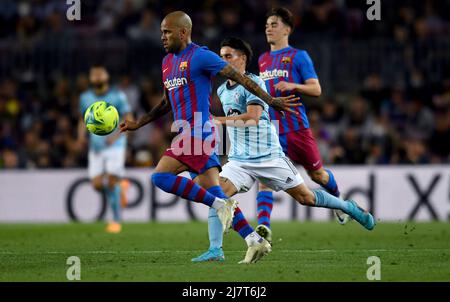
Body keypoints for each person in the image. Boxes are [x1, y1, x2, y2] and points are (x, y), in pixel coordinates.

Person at [119, 11, 298, 259]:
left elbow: (239, 77)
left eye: (167, 31)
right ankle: (249, 240)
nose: (162, 37)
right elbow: (166, 101)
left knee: (160, 177)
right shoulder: (167, 62)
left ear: (183, 32)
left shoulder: (200, 56)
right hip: (185, 132)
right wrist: (139, 123)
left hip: (198, 131)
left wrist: (268, 99)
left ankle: (220, 207)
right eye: (161, 32)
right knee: (214, 191)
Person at [194, 36, 375, 263]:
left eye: (228, 56)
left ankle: (348, 207)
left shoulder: (254, 82)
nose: (223, 61)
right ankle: (215, 250)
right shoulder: (222, 90)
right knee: (215, 194)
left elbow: (253, 117)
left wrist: (217, 121)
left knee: (306, 198)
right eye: (221, 57)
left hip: (269, 157)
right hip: (240, 160)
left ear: (242, 59)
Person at [255, 7, 349, 243]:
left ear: (287, 29)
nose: (268, 28)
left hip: (297, 129)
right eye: (267, 24)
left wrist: (293, 86)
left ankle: (338, 201)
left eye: (274, 24)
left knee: (317, 175)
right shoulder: (263, 60)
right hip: (273, 132)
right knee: (265, 179)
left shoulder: (299, 56)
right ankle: (263, 229)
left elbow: (316, 89)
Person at [78, 66, 133, 233]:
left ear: (107, 76)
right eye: (93, 74)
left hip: (115, 144)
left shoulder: (118, 95)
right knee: (96, 184)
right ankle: (121, 187)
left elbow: (128, 119)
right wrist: (80, 137)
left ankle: (116, 221)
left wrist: (117, 137)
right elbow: (83, 119)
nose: (96, 76)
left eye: (99, 74)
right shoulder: (85, 97)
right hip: (96, 146)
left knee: (110, 180)